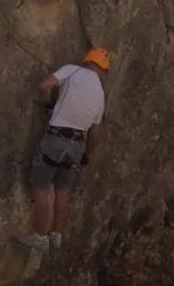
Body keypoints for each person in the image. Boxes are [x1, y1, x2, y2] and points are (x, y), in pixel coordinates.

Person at [17, 47, 110, 252]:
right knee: (63, 189)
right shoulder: (100, 94)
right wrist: (86, 155)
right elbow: (96, 132)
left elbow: (45, 85)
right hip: (77, 146)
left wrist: (49, 102)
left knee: (40, 189)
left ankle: (40, 238)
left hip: (57, 138)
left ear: (87, 61)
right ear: (103, 70)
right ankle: (56, 234)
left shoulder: (73, 70)